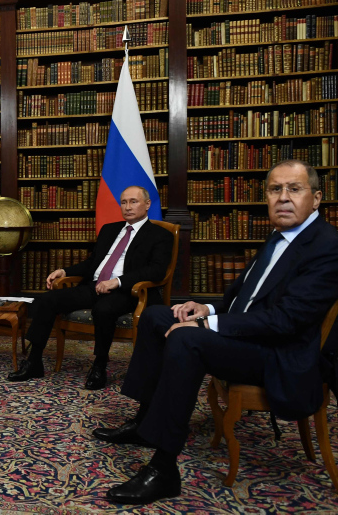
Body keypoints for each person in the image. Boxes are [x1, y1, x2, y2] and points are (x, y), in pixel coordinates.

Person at [95, 160, 338, 504]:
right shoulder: (279, 236)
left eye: (294, 189)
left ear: (316, 198)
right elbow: (244, 298)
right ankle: (145, 422)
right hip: (249, 336)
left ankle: (163, 469)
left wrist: (206, 324)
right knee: (156, 316)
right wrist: (205, 309)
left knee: (186, 338)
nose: (283, 197)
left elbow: (286, 321)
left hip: (280, 353)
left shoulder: (327, 246)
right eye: (275, 189)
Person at [7, 185, 174, 389]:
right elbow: (92, 263)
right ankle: (34, 361)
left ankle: (99, 366)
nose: (128, 207)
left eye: (134, 201)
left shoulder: (160, 235)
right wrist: (65, 271)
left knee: (103, 309)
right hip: (94, 286)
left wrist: (118, 281)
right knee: (46, 300)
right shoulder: (110, 229)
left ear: (147, 204)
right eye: (124, 202)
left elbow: (156, 271)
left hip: (128, 291)